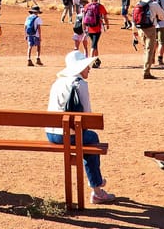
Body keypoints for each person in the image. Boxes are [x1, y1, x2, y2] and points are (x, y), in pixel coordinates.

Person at [45, 50, 117, 204]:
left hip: (51, 133)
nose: (89, 68)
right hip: (68, 135)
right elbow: (87, 116)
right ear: (79, 68)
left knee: (84, 141)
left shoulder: (57, 82)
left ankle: (97, 183)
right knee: (91, 139)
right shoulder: (80, 84)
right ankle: (97, 188)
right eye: (86, 66)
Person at [134, 0, 164, 80]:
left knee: (146, 49)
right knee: (149, 50)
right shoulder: (154, 4)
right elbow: (163, 16)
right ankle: (146, 72)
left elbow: (134, 18)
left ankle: (146, 68)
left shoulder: (139, 3)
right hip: (150, 29)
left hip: (140, 29)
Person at [81, 0, 110, 67]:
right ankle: (90, 62)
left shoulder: (87, 6)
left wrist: (84, 27)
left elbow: (84, 18)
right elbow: (105, 17)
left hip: (89, 28)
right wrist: (107, 25)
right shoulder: (100, 7)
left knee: (95, 44)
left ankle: (96, 60)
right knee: (93, 45)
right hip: (97, 28)